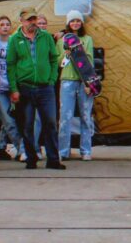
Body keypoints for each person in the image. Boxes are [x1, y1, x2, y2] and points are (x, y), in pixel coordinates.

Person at [7, 8, 63, 170]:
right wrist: (14, 88)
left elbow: (53, 59)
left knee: (51, 123)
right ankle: (31, 158)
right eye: (28, 20)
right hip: (25, 87)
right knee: (27, 124)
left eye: (34, 19)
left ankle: (53, 159)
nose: (32, 23)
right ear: (22, 21)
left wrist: (52, 79)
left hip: (45, 87)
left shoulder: (45, 37)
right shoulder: (14, 39)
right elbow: (10, 65)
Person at [57, 10, 95, 161]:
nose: (75, 23)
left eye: (78, 21)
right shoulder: (62, 41)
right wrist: (66, 54)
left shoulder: (87, 39)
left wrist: (89, 83)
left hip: (83, 81)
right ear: (68, 23)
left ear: (82, 23)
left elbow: (90, 61)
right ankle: (63, 151)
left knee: (86, 116)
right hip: (67, 80)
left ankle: (85, 150)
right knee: (65, 116)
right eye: (72, 21)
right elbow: (59, 62)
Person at [0, 15, 24, 161]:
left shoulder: (15, 42)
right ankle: (22, 149)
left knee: (9, 119)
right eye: (2, 24)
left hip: (12, 86)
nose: (5, 27)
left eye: (7, 24)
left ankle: (1, 148)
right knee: (8, 120)